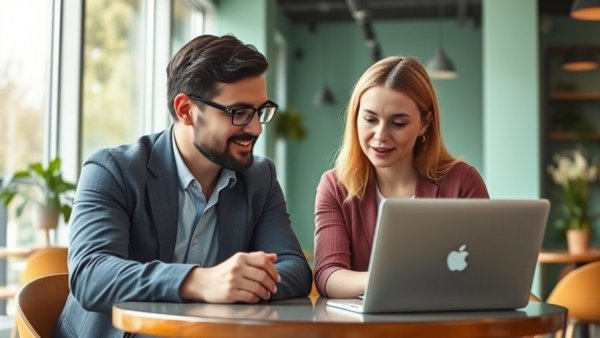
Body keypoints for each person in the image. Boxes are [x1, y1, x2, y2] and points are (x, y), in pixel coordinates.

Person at [55, 34, 312, 337]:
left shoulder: (259, 178)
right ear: (186, 110)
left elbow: (294, 268)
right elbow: (91, 274)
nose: (255, 128)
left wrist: (239, 283)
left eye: (260, 111)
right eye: (239, 113)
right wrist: (199, 282)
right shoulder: (112, 170)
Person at [313, 56, 489, 298]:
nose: (380, 135)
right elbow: (328, 275)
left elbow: (486, 273)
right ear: (355, 117)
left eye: (398, 123)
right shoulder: (335, 186)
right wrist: (396, 279)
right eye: (370, 119)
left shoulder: (462, 182)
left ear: (425, 124)